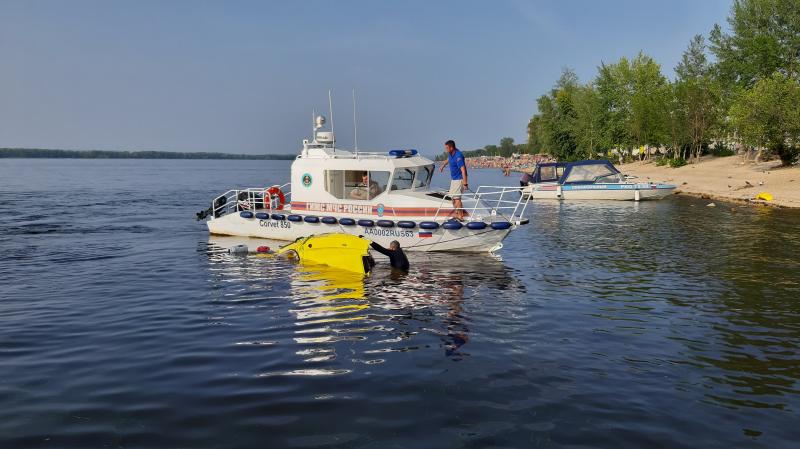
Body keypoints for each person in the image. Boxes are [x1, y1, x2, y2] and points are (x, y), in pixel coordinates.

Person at [438, 140, 468, 220]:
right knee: (453, 198)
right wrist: (443, 165)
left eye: (447, 148)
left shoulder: (458, 156)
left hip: (459, 179)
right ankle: (458, 213)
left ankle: (460, 216)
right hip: (454, 180)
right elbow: (448, 159)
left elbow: (463, 170)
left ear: (451, 147)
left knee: (457, 198)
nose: (446, 149)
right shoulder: (451, 153)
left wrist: (465, 183)